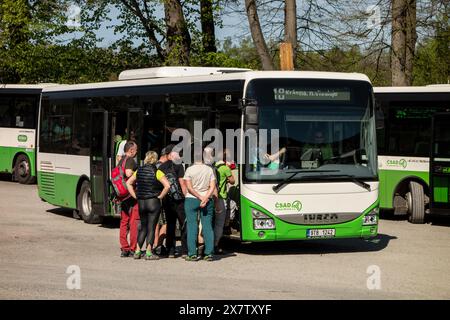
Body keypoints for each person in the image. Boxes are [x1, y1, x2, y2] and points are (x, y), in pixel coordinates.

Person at [126, 151, 170, 260]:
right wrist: (160, 196)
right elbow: (167, 186)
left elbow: (128, 183)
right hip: (153, 202)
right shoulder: (157, 172)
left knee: (143, 227)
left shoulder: (138, 171)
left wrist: (135, 196)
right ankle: (149, 252)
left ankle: (137, 251)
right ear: (155, 159)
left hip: (141, 202)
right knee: (152, 227)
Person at [183, 148, 216, 262]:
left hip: (192, 199)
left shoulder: (189, 170)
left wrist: (199, 197)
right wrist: (205, 197)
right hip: (207, 200)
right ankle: (209, 253)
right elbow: (212, 187)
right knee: (207, 226)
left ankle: (192, 254)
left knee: (192, 226)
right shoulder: (209, 170)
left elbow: (189, 188)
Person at [158, 144, 188, 258]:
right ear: (170, 154)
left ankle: (170, 250)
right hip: (179, 200)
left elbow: (160, 184)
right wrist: (185, 196)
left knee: (170, 224)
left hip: (167, 200)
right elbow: (182, 183)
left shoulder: (161, 167)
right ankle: (185, 250)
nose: (179, 155)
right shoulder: (179, 166)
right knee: (183, 224)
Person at [118, 141, 140, 257]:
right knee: (134, 221)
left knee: (124, 221)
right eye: (136, 150)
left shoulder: (121, 160)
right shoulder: (130, 160)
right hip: (131, 194)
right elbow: (128, 173)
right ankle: (132, 248)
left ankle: (124, 248)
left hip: (122, 195)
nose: (136, 152)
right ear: (131, 150)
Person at [213, 149, 235, 254]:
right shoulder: (225, 168)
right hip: (221, 197)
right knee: (219, 224)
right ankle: (216, 245)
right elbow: (233, 181)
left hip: (211, 197)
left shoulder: (213, 167)